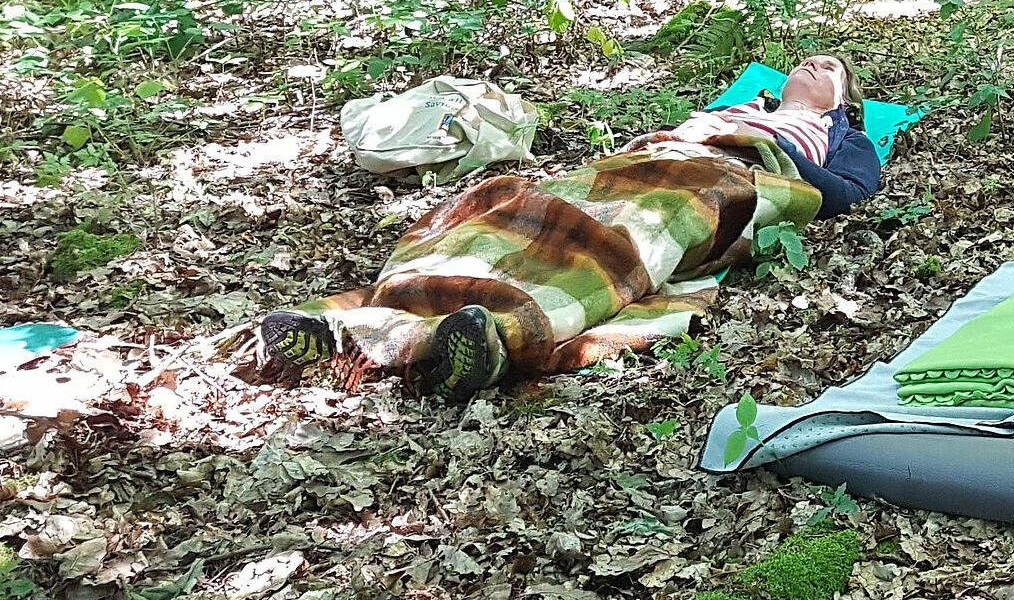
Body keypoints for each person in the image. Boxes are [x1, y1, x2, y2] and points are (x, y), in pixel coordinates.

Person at [259, 54, 882, 401]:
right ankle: (350, 325)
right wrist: (715, 125)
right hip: (638, 165)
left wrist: (751, 144)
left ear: (842, 98)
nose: (813, 65)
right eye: (805, 60)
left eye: (828, 68)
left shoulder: (841, 136)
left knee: (623, 240)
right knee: (511, 210)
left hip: (728, 178)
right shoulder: (737, 105)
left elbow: (846, 194)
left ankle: (492, 338)